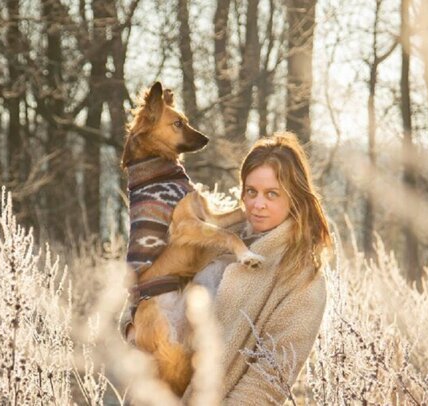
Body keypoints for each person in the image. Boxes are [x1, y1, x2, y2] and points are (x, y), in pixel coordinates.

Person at [122, 132, 331, 403]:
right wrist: (132, 327)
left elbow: (268, 381)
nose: (257, 204)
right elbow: (150, 285)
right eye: (251, 191)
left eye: (272, 194)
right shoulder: (216, 236)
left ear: (295, 197)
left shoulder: (302, 278)